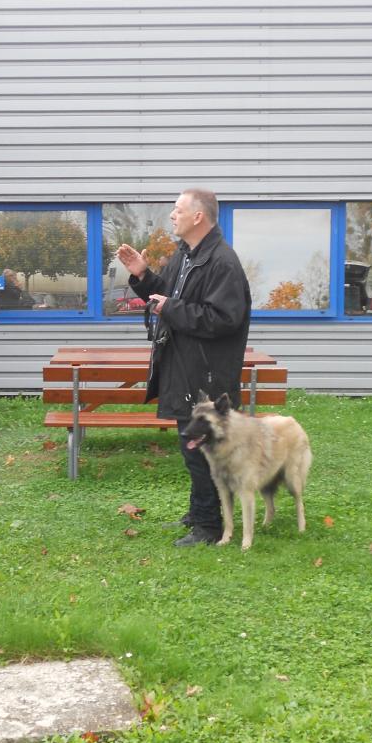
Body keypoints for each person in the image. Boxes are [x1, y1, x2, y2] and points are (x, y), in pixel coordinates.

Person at [116, 189, 251, 547]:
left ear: (198, 217)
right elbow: (170, 297)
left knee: (202, 450)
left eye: (178, 210)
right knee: (191, 447)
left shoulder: (222, 262)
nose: (172, 216)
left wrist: (169, 309)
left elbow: (224, 319)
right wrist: (143, 276)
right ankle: (199, 513)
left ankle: (208, 527)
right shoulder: (187, 255)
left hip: (206, 374)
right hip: (185, 366)